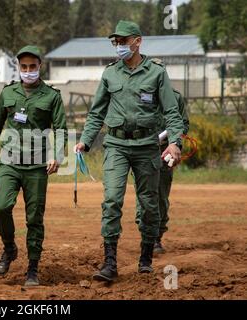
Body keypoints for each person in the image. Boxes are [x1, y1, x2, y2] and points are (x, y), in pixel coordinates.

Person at [74, 21, 184, 282]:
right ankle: (109, 262)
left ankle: (146, 256)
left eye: (124, 41)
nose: (119, 46)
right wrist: (85, 141)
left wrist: (175, 142)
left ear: (138, 41)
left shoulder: (156, 72)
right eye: (116, 42)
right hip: (117, 146)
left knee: (149, 204)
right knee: (111, 200)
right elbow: (96, 112)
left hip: (147, 146)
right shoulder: (110, 73)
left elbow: (172, 112)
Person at [0, 45, 67, 286]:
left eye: (32, 66)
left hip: (38, 166)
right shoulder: (8, 93)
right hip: (10, 163)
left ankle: (33, 269)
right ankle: (9, 248)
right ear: (19, 67)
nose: (28, 71)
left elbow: (61, 128)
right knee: (2, 206)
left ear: (40, 67)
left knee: (34, 218)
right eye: (24, 67)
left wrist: (57, 155)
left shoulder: (52, 96)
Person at [135, 88, 190, 254]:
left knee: (161, 195)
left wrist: (173, 142)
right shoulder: (139, 92)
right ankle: (146, 235)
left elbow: (183, 124)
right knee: (144, 194)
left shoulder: (175, 96)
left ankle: (157, 236)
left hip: (165, 152)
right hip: (142, 151)